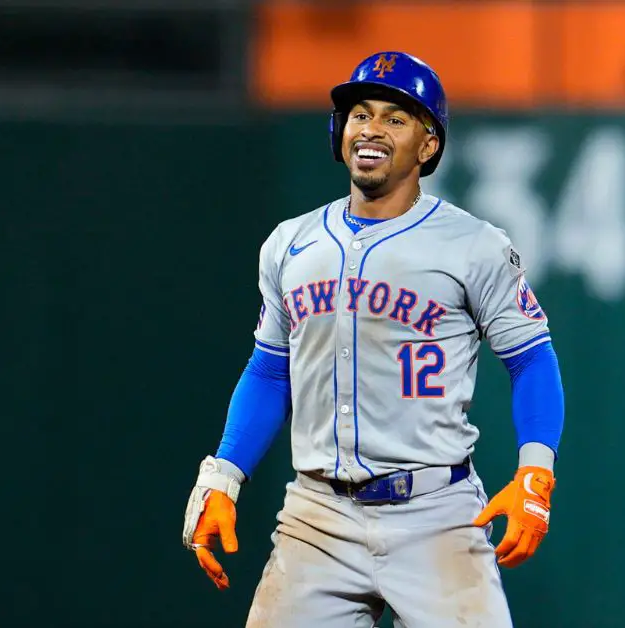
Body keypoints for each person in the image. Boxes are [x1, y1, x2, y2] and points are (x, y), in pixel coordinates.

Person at [181, 51, 567, 627]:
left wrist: (534, 471)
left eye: (395, 118)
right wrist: (224, 473)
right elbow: (268, 370)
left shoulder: (474, 245)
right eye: (360, 114)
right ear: (340, 132)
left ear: (428, 144)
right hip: (318, 516)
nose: (372, 129)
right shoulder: (290, 243)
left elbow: (532, 359)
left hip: (437, 513)